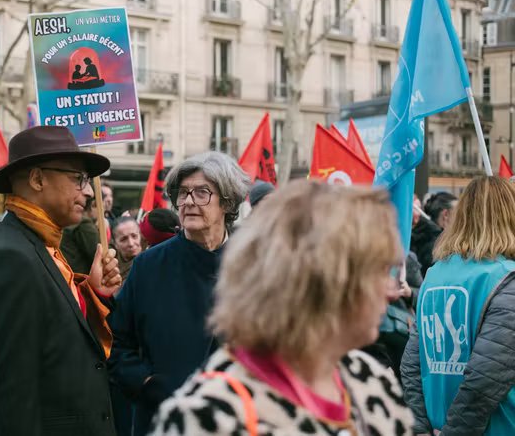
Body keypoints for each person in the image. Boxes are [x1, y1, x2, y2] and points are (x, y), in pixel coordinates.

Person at [148, 180, 414, 435]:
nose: (392, 291)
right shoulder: (209, 417)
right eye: (381, 272)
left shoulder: (371, 380)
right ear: (327, 282)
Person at [0, 126, 122, 436]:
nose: (89, 192)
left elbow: (57, 343)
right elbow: (11, 398)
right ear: (37, 179)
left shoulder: (36, 244)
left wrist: (92, 293)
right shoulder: (11, 258)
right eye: (78, 179)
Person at [109, 151, 250, 436]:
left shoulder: (254, 264)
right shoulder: (148, 266)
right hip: (164, 421)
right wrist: (147, 383)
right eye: (183, 193)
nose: (188, 201)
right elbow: (116, 341)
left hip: (239, 421)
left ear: (227, 202)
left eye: (201, 193)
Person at [401, 176, 515, 436]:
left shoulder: (434, 275)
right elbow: (483, 381)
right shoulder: (507, 279)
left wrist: (420, 427)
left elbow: (411, 364)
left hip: (439, 424)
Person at [411, 192, 457, 276]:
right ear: (446, 215)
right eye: (458, 214)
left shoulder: (417, 235)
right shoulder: (439, 247)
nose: (462, 220)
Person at [60, 197, 101, 275]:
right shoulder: (84, 225)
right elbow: (100, 256)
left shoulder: (65, 221)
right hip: (78, 278)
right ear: (93, 205)